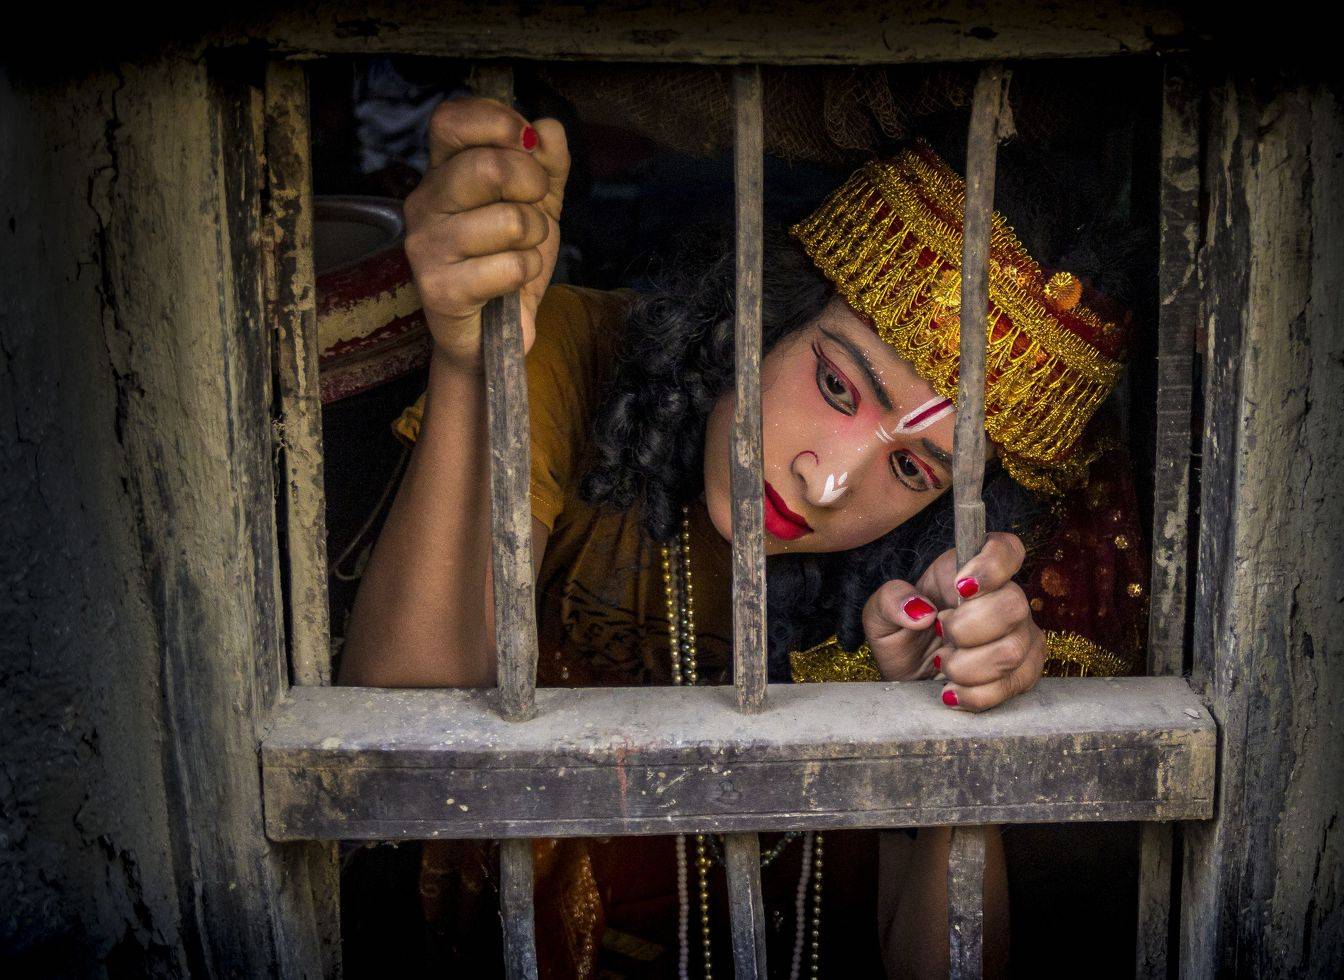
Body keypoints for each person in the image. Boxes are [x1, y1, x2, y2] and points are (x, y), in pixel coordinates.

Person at [340, 96, 1147, 979]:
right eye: (837, 387)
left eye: (914, 469)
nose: (827, 483)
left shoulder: (913, 598)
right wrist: (475, 360)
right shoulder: (571, 350)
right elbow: (397, 747)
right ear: (767, 307)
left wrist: (953, 739)